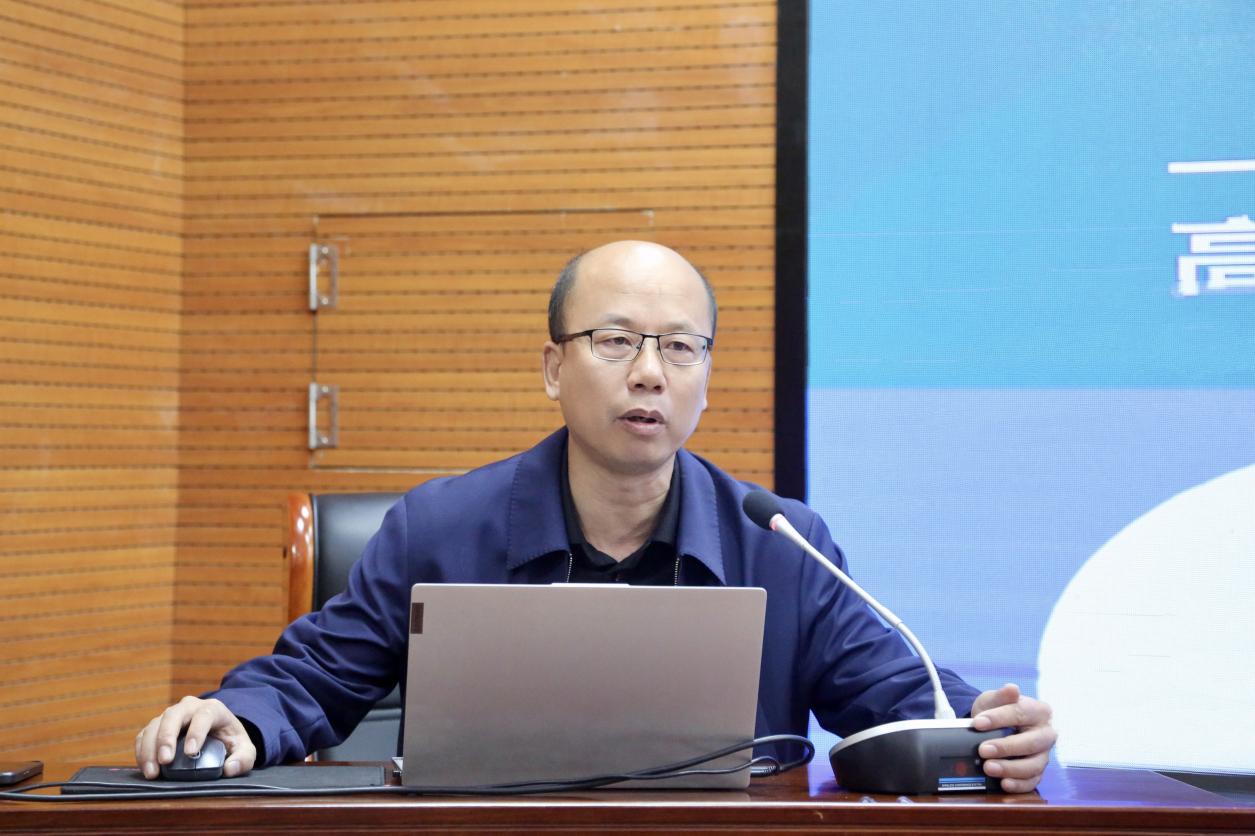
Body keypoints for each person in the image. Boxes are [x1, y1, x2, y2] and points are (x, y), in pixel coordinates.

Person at [135, 241, 1056, 792]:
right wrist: (234, 718)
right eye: (615, 341)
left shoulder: (779, 542)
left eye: (680, 348)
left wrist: (988, 731)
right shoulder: (440, 528)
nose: (649, 372)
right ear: (553, 368)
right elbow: (312, 680)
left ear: (704, 377)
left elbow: (902, 702)